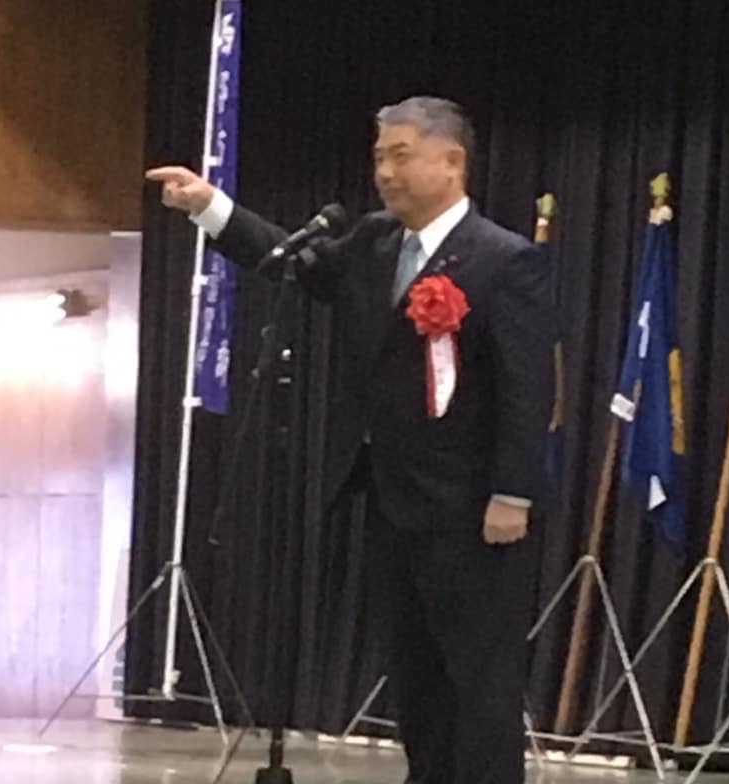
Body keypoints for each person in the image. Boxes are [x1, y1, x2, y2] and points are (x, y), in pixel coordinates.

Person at [147, 96, 555, 784]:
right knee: (417, 677)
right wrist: (210, 207)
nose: (385, 173)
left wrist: (513, 492)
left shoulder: (504, 259)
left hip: (474, 511)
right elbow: (295, 263)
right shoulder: (374, 241)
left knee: (478, 681)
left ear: (451, 161)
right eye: (378, 158)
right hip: (392, 499)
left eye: (401, 156)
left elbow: (527, 387)